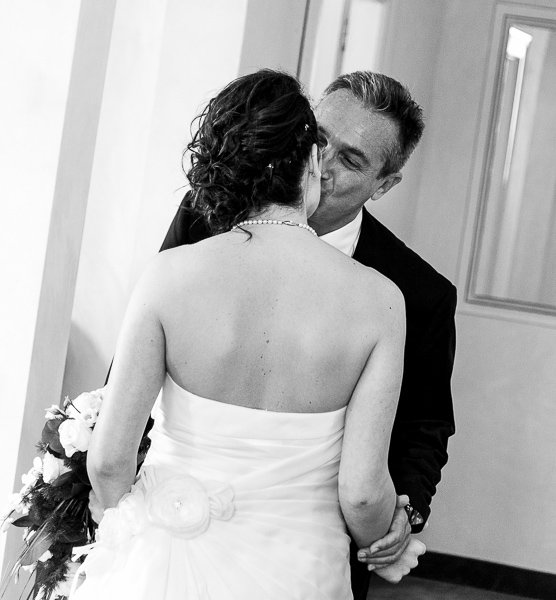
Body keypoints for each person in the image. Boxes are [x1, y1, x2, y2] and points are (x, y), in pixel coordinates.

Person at [71, 69, 414, 599]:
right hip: (299, 569)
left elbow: (110, 459)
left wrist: (127, 533)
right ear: (308, 165)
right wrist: (386, 542)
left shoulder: (170, 275)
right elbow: (363, 494)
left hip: (164, 562)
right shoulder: (381, 301)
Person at [159, 70, 457, 599]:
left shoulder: (416, 292)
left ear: (384, 185)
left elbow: (424, 422)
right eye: (317, 138)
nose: (321, 164)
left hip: (310, 546)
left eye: (352, 159)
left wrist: (402, 512)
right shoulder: (206, 216)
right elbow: (140, 353)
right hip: (175, 521)